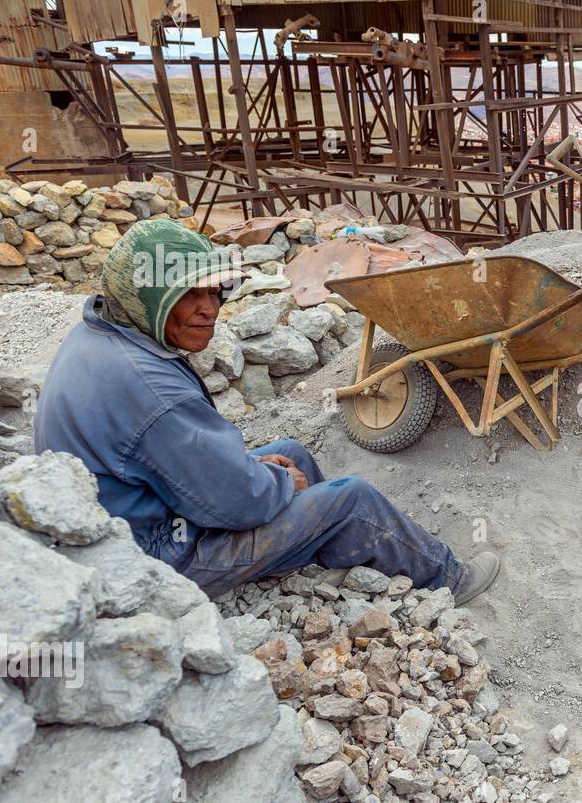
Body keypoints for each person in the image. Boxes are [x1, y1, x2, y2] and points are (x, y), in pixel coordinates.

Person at [34, 218, 498, 602]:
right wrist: (271, 484)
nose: (209, 309)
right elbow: (236, 503)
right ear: (148, 299)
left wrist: (255, 471)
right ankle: (449, 580)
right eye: (190, 294)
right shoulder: (150, 388)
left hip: (129, 520)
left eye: (215, 292)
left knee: (290, 451)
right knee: (352, 498)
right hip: (156, 557)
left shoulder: (101, 334)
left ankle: (317, 545)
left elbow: (166, 462)